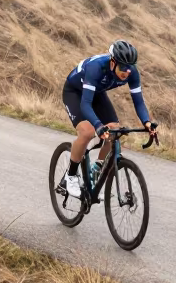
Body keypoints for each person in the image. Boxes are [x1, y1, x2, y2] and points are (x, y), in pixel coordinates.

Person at [60, 40, 158, 198]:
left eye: (129, 67)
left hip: (97, 93)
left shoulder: (131, 72)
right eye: (123, 67)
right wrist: (98, 125)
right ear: (113, 62)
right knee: (87, 132)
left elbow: (139, 102)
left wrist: (147, 122)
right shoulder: (96, 68)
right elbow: (85, 104)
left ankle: (97, 169)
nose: (126, 72)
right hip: (75, 93)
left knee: (114, 130)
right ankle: (70, 176)